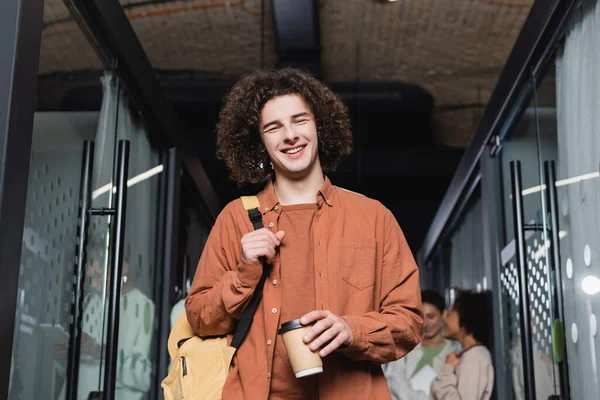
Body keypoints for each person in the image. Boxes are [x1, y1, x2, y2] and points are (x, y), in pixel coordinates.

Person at [185, 67, 423, 399]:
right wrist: (243, 275)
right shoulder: (235, 219)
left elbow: (409, 322)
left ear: (319, 126)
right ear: (260, 141)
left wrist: (351, 330)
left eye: (300, 120)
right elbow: (199, 318)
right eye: (273, 127)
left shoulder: (373, 217)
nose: (290, 135)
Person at [382, 290, 457, 399]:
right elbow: (394, 380)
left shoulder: (453, 353)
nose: (426, 324)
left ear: (444, 314)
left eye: (431, 317)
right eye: (422, 317)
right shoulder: (406, 345)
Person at [430, 289, 494, 400]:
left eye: (450, 313)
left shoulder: (476, 356)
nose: (445, 319)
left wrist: (447, 370)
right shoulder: (468, 354)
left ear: (465, 316)